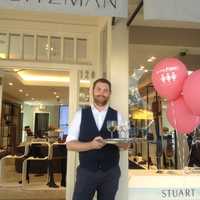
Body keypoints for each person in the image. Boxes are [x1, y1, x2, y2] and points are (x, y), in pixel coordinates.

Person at [66, 78, 128, 200]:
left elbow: (126, 144)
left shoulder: (118, 115)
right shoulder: (80, 115)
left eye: (105, 90)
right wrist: (91, 145)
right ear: (92, 91)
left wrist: (115, 142)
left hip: (110, 173)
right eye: (98, 89)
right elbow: (70, 145)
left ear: (110, 93)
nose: (102, 93)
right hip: (86, 172)